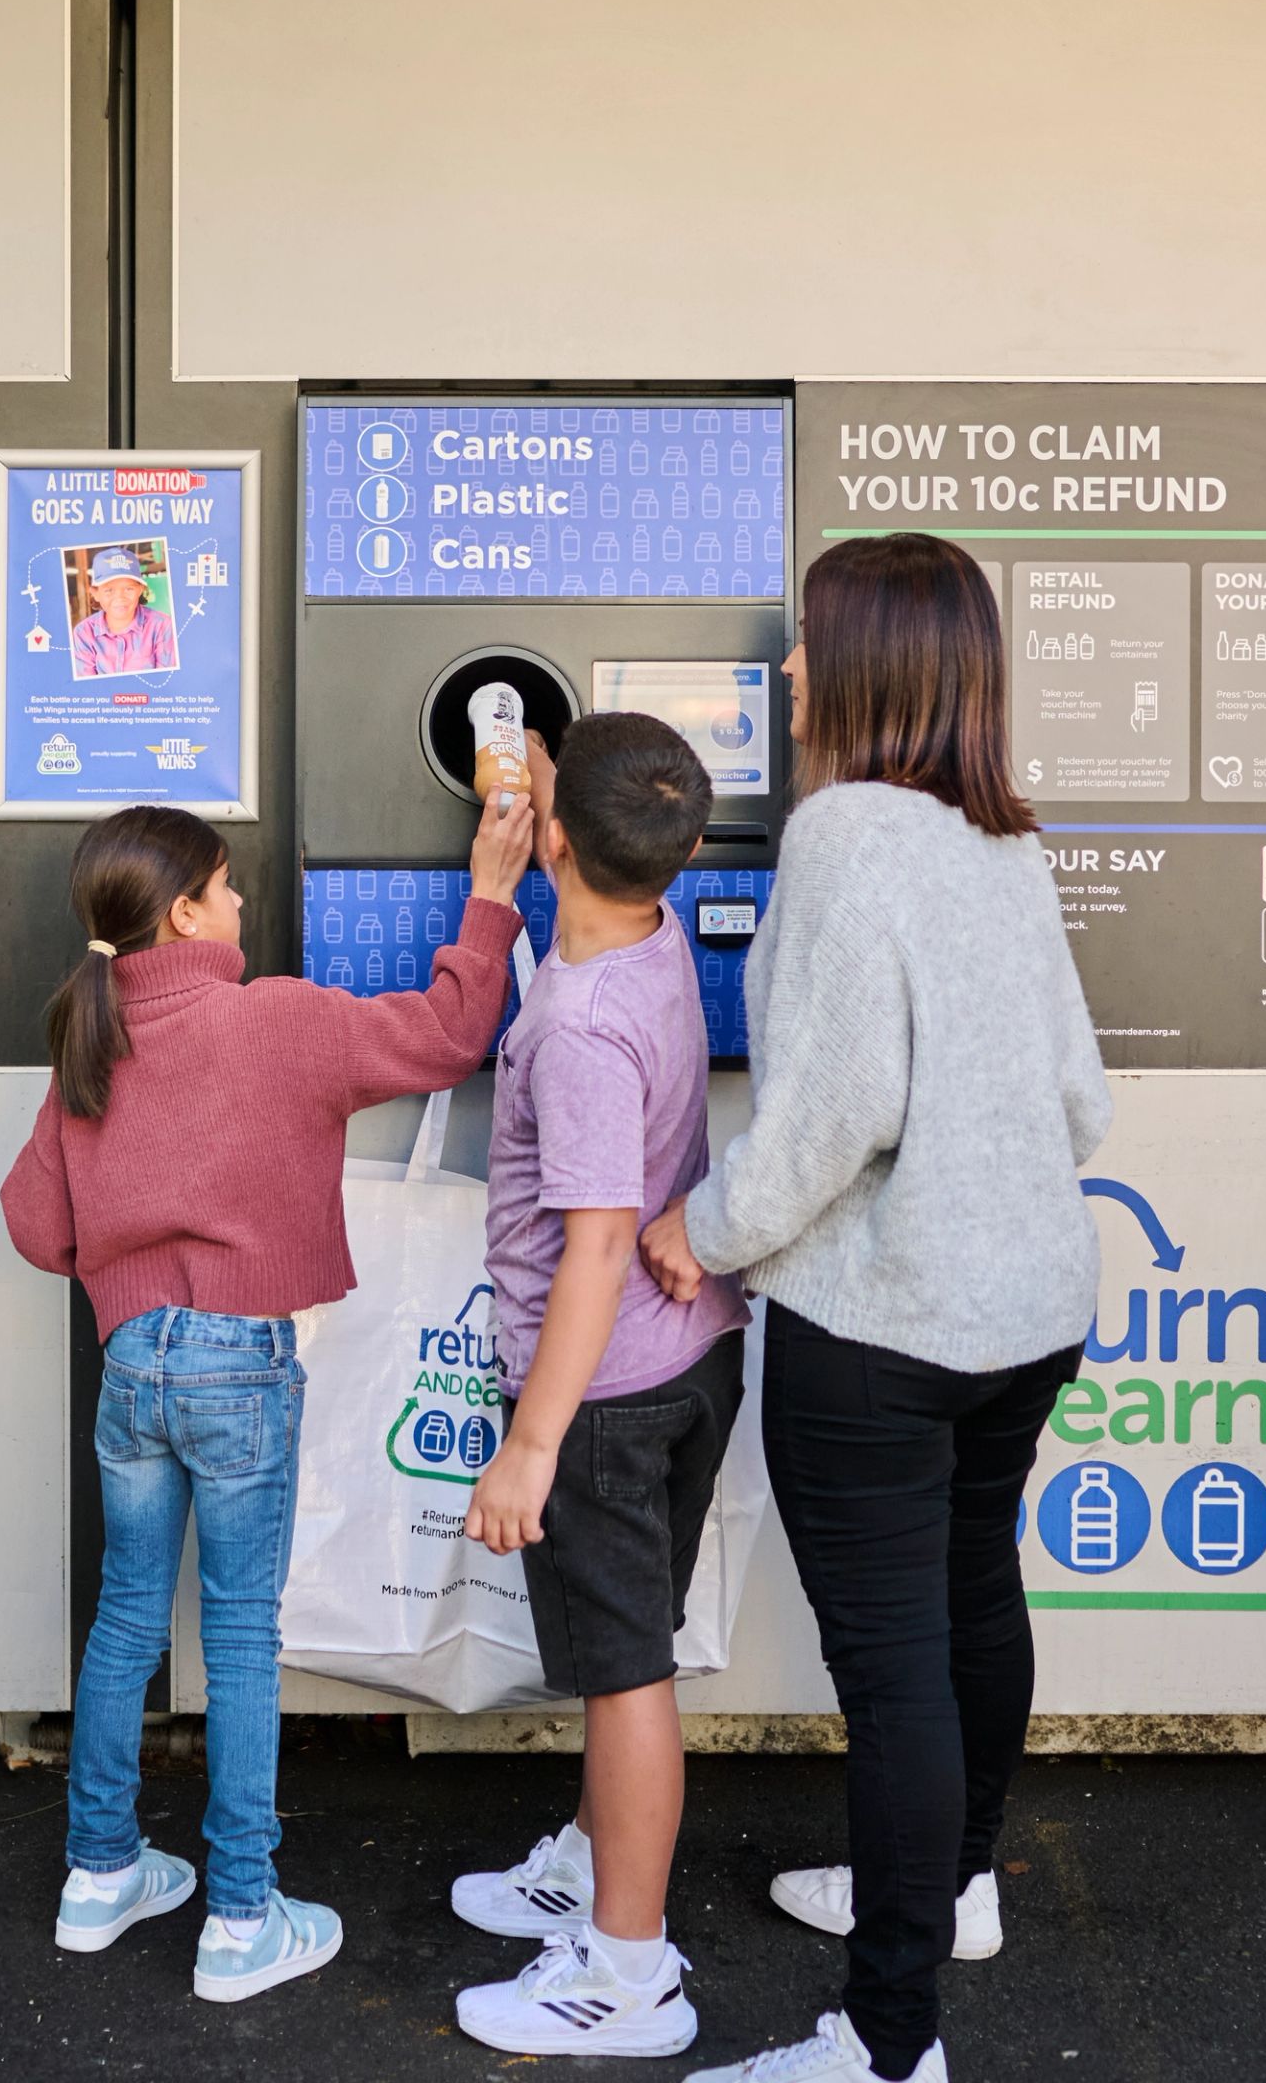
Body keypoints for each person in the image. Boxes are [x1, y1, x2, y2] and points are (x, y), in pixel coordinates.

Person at [650, 533, 1112, 2083]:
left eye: (807, 641)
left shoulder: (843, 833)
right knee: (975, 1600)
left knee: (897, 1671)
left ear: (865, 665)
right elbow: (1082, 1100)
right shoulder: (1004, 843)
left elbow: (826, 1120)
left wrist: (700, 1232)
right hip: (1029, 1309)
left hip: (883, 1327)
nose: (786, 670)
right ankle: (957, 1886)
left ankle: (886, 2042)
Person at [3, 787, 535, 2003]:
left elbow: (35, 1224)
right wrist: (492, 895)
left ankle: (99, 1872)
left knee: (126, 1620)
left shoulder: (88, 1039)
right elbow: (450, 1033)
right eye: (227, 884)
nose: (242, 901)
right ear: (186, 913)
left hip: (130, 1360)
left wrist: (131, 1252)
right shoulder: (278, 1020)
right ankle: (242, 1916)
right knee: (241, 1633)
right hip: (240, 1362)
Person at [447, 714, 746, 2060]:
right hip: (689, 1357)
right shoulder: (653, 936)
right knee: (632, 1648)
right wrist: (523, 826)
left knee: (627, 1678)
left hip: (605, 1397)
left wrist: (533, 1443)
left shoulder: (576, 1024)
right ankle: (588, 1860)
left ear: (558, 835)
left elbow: (598, 1247)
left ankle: (629, 1974)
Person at [72, 545, 178, 678]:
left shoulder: (162, 626)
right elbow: (88, 686)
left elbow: (165, 680)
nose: (120, 597)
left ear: (140, 589)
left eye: (129, 589)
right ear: (95, 593)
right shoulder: (84, 632)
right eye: (109, 590)